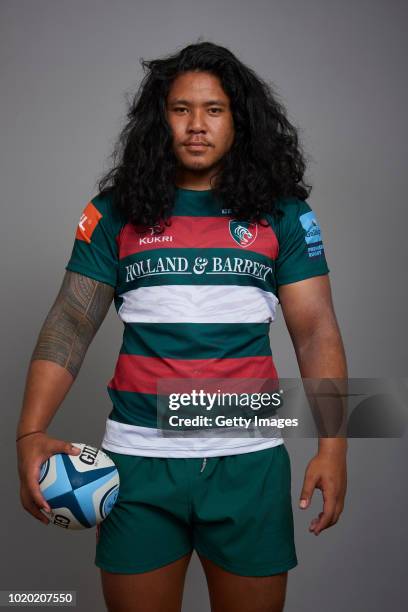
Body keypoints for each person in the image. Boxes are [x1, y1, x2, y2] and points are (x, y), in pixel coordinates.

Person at [16, 41, 347, 612]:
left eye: (214, 109)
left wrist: (334, 446)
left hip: (248, 464)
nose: (197, 125)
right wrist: (29, 433)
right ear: (159, 118)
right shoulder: (115, 211)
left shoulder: (284, 215)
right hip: (136, 466)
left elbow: (315, 331)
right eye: (181, 109)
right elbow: (71, 321)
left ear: (239, 120)